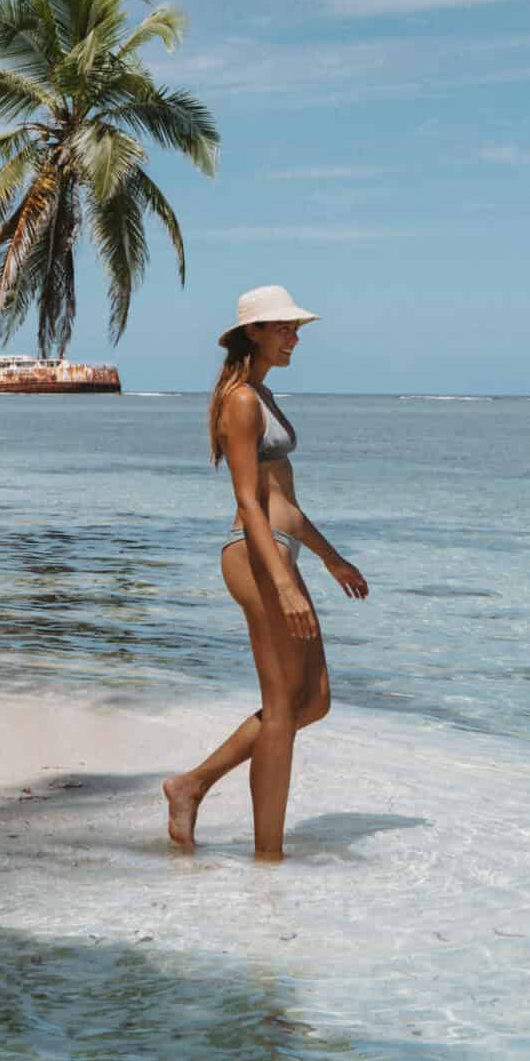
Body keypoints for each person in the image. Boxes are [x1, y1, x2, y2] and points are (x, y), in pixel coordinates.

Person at [163, 285, 370, 860]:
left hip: (281, 551)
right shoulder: (241, 401)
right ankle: (268, 861)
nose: (294, 337)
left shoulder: (262, 393)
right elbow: (250, 503)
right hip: (256, 557)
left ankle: (193, 783)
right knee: (282, 709)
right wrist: (281, 580)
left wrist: (330, 559)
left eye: (295, 328)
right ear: (253, 332)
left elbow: (283, 503)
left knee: (316, 701)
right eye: (283, 328)